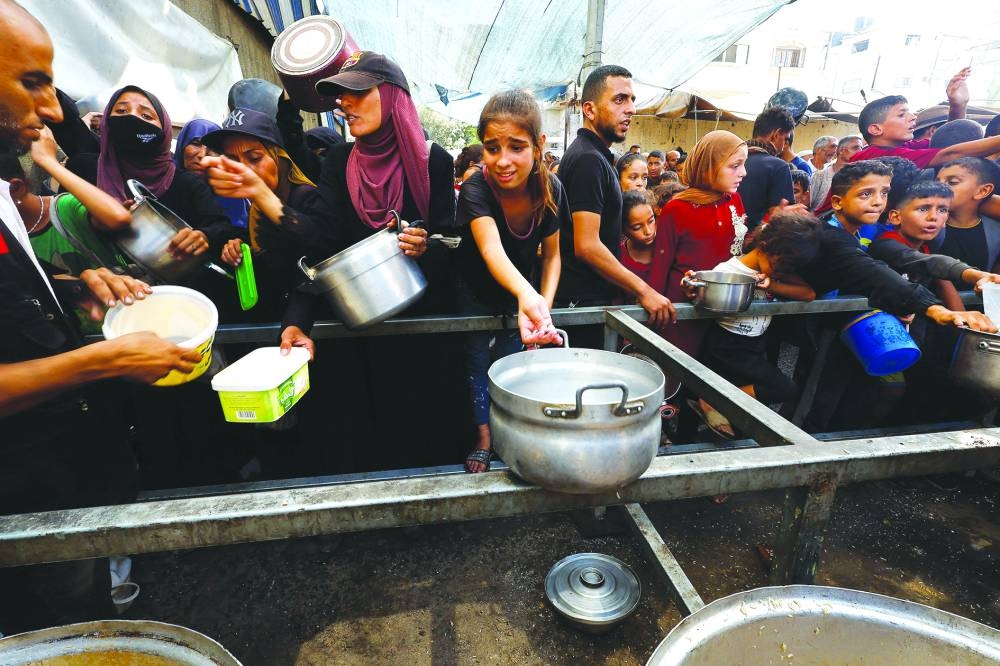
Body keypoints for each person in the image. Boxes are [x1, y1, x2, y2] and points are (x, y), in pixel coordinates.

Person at [0, 0, 201, 634]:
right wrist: (103, 360)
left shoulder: (4, 195)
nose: (55, 110)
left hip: (62, 481)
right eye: (32, 83)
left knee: (81, 612)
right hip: (18, 507)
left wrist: (78, 286)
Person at [454, 90, 564, 473]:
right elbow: (491, 250)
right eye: (491, 147)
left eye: (516, 147)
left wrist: (542, 308)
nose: (503, 160)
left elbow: (552, 256)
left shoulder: (552, 189)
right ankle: (484, 436)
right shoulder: (475, 188)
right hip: (474, 293)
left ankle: (513, 433)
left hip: (523, 296)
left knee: (516, 363)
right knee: (475, 365)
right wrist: (527, 295)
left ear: (539, 145)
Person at [554, 64, 674, 348]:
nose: (630, 108)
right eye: (619, 99)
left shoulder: (596, 155)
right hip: (580, 304)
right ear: (590, 109)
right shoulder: (588, 160)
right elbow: (586, 245)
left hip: (588, 299)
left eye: (632, 100)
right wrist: (644, 290)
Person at [693, 212, 823, 438]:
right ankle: (715, 401)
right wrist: (691, 287)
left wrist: (773, 284)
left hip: (755, 345)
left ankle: (716, 402)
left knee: (742, 423)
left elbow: (809, 293)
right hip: (727, 345)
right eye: (779, 267)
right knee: (783, 388)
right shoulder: (728, 272)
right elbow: (698, 294)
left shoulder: (776, 272)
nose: (785, 274)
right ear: (763, 247)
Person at [201, 107, 320, 321]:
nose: (245, 170)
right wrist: (239, 250)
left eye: (254, 158)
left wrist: (260, 192)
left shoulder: (306, 197)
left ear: (278, 157)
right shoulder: (255, 208)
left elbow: (317, 245)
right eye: (233, 161)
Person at [650, 129, 749, 366]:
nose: (743, 173)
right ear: (708, 166)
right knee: (678, 372)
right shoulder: (678, 208)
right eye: (735, 166)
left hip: (726, 310)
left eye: (744, 165)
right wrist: (653, 310)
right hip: (682, 309)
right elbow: (660, 263)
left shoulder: (733, 199)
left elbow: (738, 250)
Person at [851, 69, 1000, 169]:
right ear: (876, 129)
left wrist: (958, 105)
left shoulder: (905, 147)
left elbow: (949, 142)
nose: (913, 117)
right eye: (901, 114)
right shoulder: (876, 156)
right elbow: (949, 154)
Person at [173, 118, 250, 230]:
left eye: (213, 148)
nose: (203, 154)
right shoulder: (164, 185)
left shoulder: (234, 198)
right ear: (182, 145)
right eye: (196, 143)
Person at [935, 157, 1000, 277]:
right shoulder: (928, 224)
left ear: (983, 191)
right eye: (937, 182)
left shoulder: (995, 231)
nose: (939, 187)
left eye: (952, 182)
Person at [738, 107, 798, 229]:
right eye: (785, 138)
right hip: (754, 243)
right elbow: (779, 219)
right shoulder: (778, 167)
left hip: (719, 237)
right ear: (775, 135)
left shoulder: (729, 159)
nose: (783, 146)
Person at [810, 135, 864, 214]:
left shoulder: (860, 178)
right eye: (855, 148)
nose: (860, 151)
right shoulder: (819, 176)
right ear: (842, 150)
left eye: (861, 148)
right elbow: (809, 205)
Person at [619, 189, 657, 290]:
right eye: (637, 227)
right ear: (624, 229)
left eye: (651, 220)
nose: (648, 231)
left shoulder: (668, 246)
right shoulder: (618, 257)